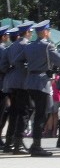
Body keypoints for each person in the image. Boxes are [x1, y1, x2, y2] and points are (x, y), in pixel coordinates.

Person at [14, 20, 60, 157]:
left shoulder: (29, 46)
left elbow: (17, 61)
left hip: (30, 81)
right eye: (48, 31)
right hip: (41, 83)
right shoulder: (47, 46)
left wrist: (29, 69)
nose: (49, 33)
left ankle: (34, 144)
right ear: (44, 32)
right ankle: (36, 146)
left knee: (40, 112)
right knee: (42, 114)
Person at [2, 22, 33, 154]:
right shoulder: (27, 45)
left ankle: (9, 142)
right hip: (23, 82)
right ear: (27, 33)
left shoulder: (11, 46)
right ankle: (18, 143)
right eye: (30, 32)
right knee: (25, 110)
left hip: (11, 82)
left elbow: (4, 65)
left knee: (14, 112)